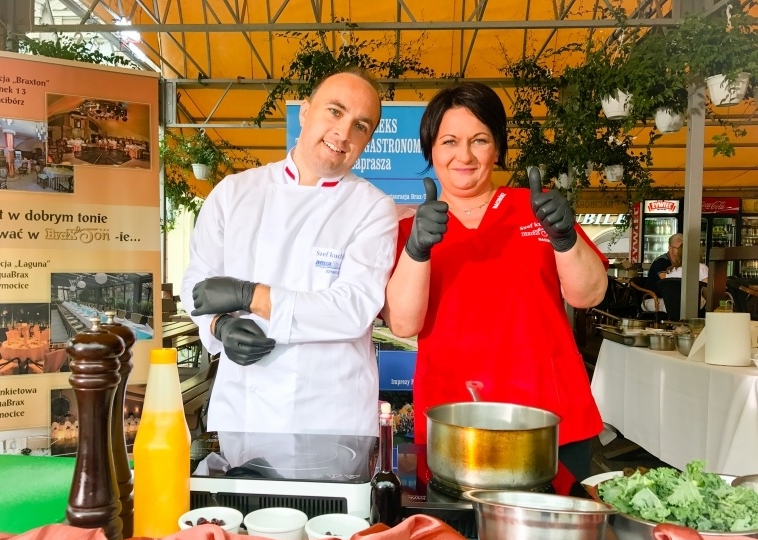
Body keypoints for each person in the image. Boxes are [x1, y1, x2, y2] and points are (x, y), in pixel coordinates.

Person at [382, 82, 609, 483]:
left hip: (551, 419)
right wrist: (417, 250)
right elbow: (403, 324)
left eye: (480, 140)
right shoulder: (409, 229)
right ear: (431, 151)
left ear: (498, 148)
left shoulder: (536, 208)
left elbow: (588, 294)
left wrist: (565, 237)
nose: (464, 155)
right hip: (454, 423)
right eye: (449, 141)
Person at [181, 67, 398, 437]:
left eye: (360, 126)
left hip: (331, 417)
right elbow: (197, 285)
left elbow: (352, 309)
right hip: (243, 411)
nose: (343, 133)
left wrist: (249, 296)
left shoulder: (373, 207)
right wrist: (218, 325)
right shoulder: (234, 193)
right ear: (305, 111)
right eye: (335, 111)